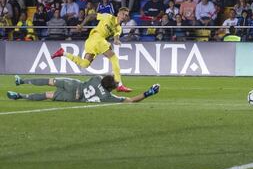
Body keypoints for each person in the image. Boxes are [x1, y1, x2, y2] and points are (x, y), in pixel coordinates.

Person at [51, 7, 133, 93]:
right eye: (123, 14)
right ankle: (119, 85)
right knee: (114, 58)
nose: (124, 16)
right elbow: (91, 16)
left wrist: (116, 40)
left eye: (126, 15)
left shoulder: (119, 28)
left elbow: (116, 36)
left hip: (95, 41)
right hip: (95, 38)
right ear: (118, 14)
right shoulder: (108, 17)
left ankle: (63, 53)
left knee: (84, 64)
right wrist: (82, 25)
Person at [8, 75, 160, 103]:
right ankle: (19, 95)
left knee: (49, 81)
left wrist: (114, 82)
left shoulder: (96, 79)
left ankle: (22, 81)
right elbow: (131, 100)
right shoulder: (107, 98)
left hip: (73, 85)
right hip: (75, 98)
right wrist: (149, 92)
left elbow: (105, 78)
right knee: (48, 95)